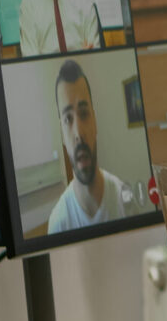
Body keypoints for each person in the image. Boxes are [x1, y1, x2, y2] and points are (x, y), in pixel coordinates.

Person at [46, 59, 136, 234]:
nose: (79, 133)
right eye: (68, 119)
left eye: (84, 114)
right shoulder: (58, 223)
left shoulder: (124, 198)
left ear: (95, 121)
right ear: (62, 135)